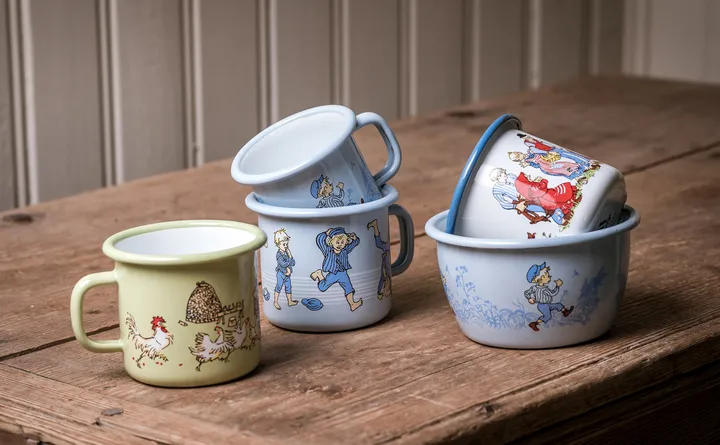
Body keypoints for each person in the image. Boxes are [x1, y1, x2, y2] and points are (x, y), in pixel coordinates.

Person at [310, 227, 362, 311]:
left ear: (346, 242)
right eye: (337, 242)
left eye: (342, 242)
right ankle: (319, 274)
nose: (340, 244)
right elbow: (319, 240)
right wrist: (325, 233)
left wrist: (355, 238)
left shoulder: (345, 250)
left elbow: (354, 244)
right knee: (322, 287)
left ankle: (352, 304)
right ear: (331, 242)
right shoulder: (327, 250)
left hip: (343, 273)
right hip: (333, 274)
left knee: (349, 288)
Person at [524, 262, 574, 331]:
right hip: (542, 306)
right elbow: (553, 293)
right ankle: (535, 323)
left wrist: (529, 298)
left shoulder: (534, 288)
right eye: (547, 275)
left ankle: (565, 312)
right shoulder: (543, 289)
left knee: (558, 305)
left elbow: (527, 293)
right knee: (548, 316)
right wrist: (557, 286)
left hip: (547, 304)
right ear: (540, 278)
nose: (550, 277)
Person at [273, 229, 297, 310]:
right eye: (284, 244)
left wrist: (289, 253)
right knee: (278, 287)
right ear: (278, 244)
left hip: (287, 275)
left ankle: (290, 301)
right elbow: (283, 264)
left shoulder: (286, 253)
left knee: (288, 287)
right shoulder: (279, 254)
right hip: (281, 273)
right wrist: (289, 262)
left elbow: (293, 263)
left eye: (287, 244)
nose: (286, 246)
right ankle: (275, 302)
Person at [367, 219, 391, 300]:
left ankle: (375, 225)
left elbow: (381, 282)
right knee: (379, 244)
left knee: (379, 244)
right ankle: (375, 225)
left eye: (385, 291)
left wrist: (379, 292)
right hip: (386, 253)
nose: (385, 289)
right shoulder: (386, 276)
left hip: (385, 254)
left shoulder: (384, 278)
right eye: (386, 290)